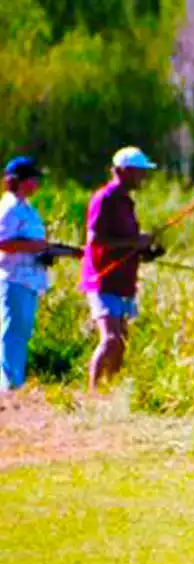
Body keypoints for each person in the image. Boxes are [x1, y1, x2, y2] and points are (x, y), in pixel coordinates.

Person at [80, 147, 160, 391]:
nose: (143, 177)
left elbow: (125, 243)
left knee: (121, 341)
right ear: (125, 171)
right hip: (103, 279)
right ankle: (92, 391)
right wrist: (136, 242)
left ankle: (109, 390)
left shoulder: (126, 202)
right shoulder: (105, 198)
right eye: (140, 172)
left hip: (123, 281)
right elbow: (96, 240)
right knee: (111, 339)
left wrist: (146, 251)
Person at [0, 157, 62, 392]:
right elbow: (3, 242)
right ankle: (9, 387)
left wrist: (63, 251)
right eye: (32, 179)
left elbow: (37, 243)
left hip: (29, 279)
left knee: (22, 332)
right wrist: (34, 247)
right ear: (18, 181)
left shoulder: (27, 208)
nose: (36, 183)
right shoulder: (9, 208)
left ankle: (15, 382)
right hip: (13, 278)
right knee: (11, 332)